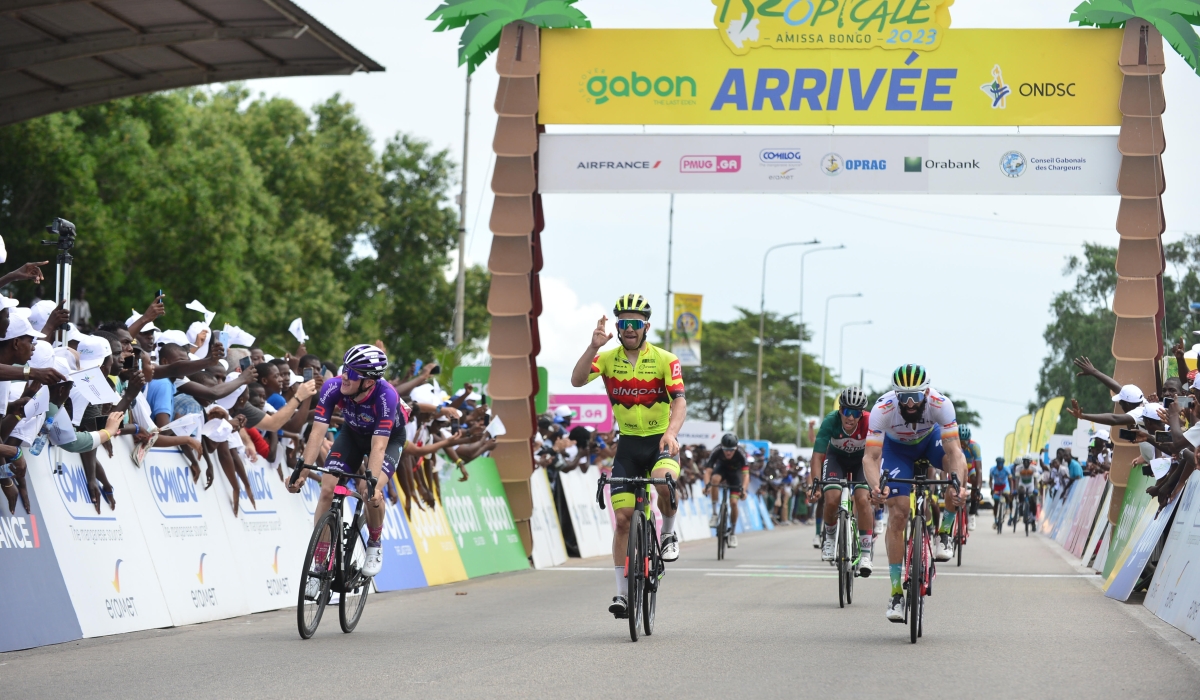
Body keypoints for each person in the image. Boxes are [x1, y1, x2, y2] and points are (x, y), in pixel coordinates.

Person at [570, 293, 686, 620]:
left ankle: (668, 532)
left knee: (664, 484)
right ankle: (622, 594)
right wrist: (594, 346)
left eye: (635, 324)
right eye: (623, 324)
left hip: (661, 442)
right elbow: (577, 380)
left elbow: (679, 400)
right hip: (629, 447)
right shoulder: (607, 359)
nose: (629, 329)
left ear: (646, 326)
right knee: (622, 521)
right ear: (618, 327)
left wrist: (671, 433)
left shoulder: (666, 359)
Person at [287, 344, 406, 595]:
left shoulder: (386, 396)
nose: (345, 376)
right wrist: (303, 471)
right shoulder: (334, 386)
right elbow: (318, 431)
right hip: (351, 435)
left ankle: (375, 542)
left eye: (353, 373)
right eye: (345, 368)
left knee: (370, 492)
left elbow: (379, 445)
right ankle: (320, 566)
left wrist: (372, 483)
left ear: (369, 382)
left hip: (386, 440)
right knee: (327, 489)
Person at [862, 364, 968, 623]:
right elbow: (870, 457)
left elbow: (955, 452)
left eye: (916, 397)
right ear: (895, 394)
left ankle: (945, 530)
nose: (910, 403)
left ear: (927, 392)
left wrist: (959, 486)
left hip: (930, 442)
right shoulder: (883, 409)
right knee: (898, 513)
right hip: (897, 450)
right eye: (904, 397)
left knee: (954, 476)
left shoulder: (941, 404)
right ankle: (897, 593)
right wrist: (876, 487)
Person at [812, 387, 874, 577]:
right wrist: (815, 484)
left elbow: (878, 454)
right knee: (831, 499)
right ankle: (829, 538)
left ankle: (865, 553)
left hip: (861, 462)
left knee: (863, 500)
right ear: (840, 410)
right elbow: (817, 456)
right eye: (847, 411)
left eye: (856, 413)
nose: (851, 417)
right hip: (836, 460)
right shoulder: (831, 420)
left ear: (861, 413)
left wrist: (878, 484)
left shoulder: (870, 421)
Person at [703, 432, 748, 548]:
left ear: (736, 448)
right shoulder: (716, 450)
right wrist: (707, 485)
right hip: (721, 470)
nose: (728, 452)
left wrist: (744, 490)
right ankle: (714, 514)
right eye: (726, 449)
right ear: (722, 447)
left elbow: (746, 475)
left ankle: (733, 533)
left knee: (733, 503)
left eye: (731, 450)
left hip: (735, 475)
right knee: (714, 479)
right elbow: (708, 471)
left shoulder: (741, 454)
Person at [958, 425, 983, 531]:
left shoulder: (975, 447)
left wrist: (978, 489)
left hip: (970, 467)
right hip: (958, 466)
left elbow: (979, 470)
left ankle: (972, 513)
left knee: (974, 480)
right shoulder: (953, 445)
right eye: (961, 442)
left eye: (965, 442)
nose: (963, 445)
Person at [1013, 455, 1040, 525]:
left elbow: (1035, 480)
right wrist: (1016, 489)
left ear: (1030, 462)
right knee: (1021, 490)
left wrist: (1036, 489)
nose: (1025, 463)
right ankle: (1021, 504)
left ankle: (1033, 518)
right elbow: (1017, 480)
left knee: (1033, 501)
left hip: (1030, 484)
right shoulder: (1018, 468)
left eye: (1027, 461)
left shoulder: (1034, 468)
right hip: (1022, 484)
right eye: (1024, 461)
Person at [989, 457, 1013, 527]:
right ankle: (995, 520)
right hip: (996, 486)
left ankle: (1007, 507)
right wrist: (992, 489)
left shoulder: (1006, 469)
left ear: (1003, 464)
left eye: (1001, 464)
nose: (1000, 465)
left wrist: (1011, 490)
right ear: (996, 463)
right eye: (998, 464)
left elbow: (1010, 480)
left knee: (1007, 495)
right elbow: (990, 480)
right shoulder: (992, 469)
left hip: (1004, 485)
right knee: (996, 503)